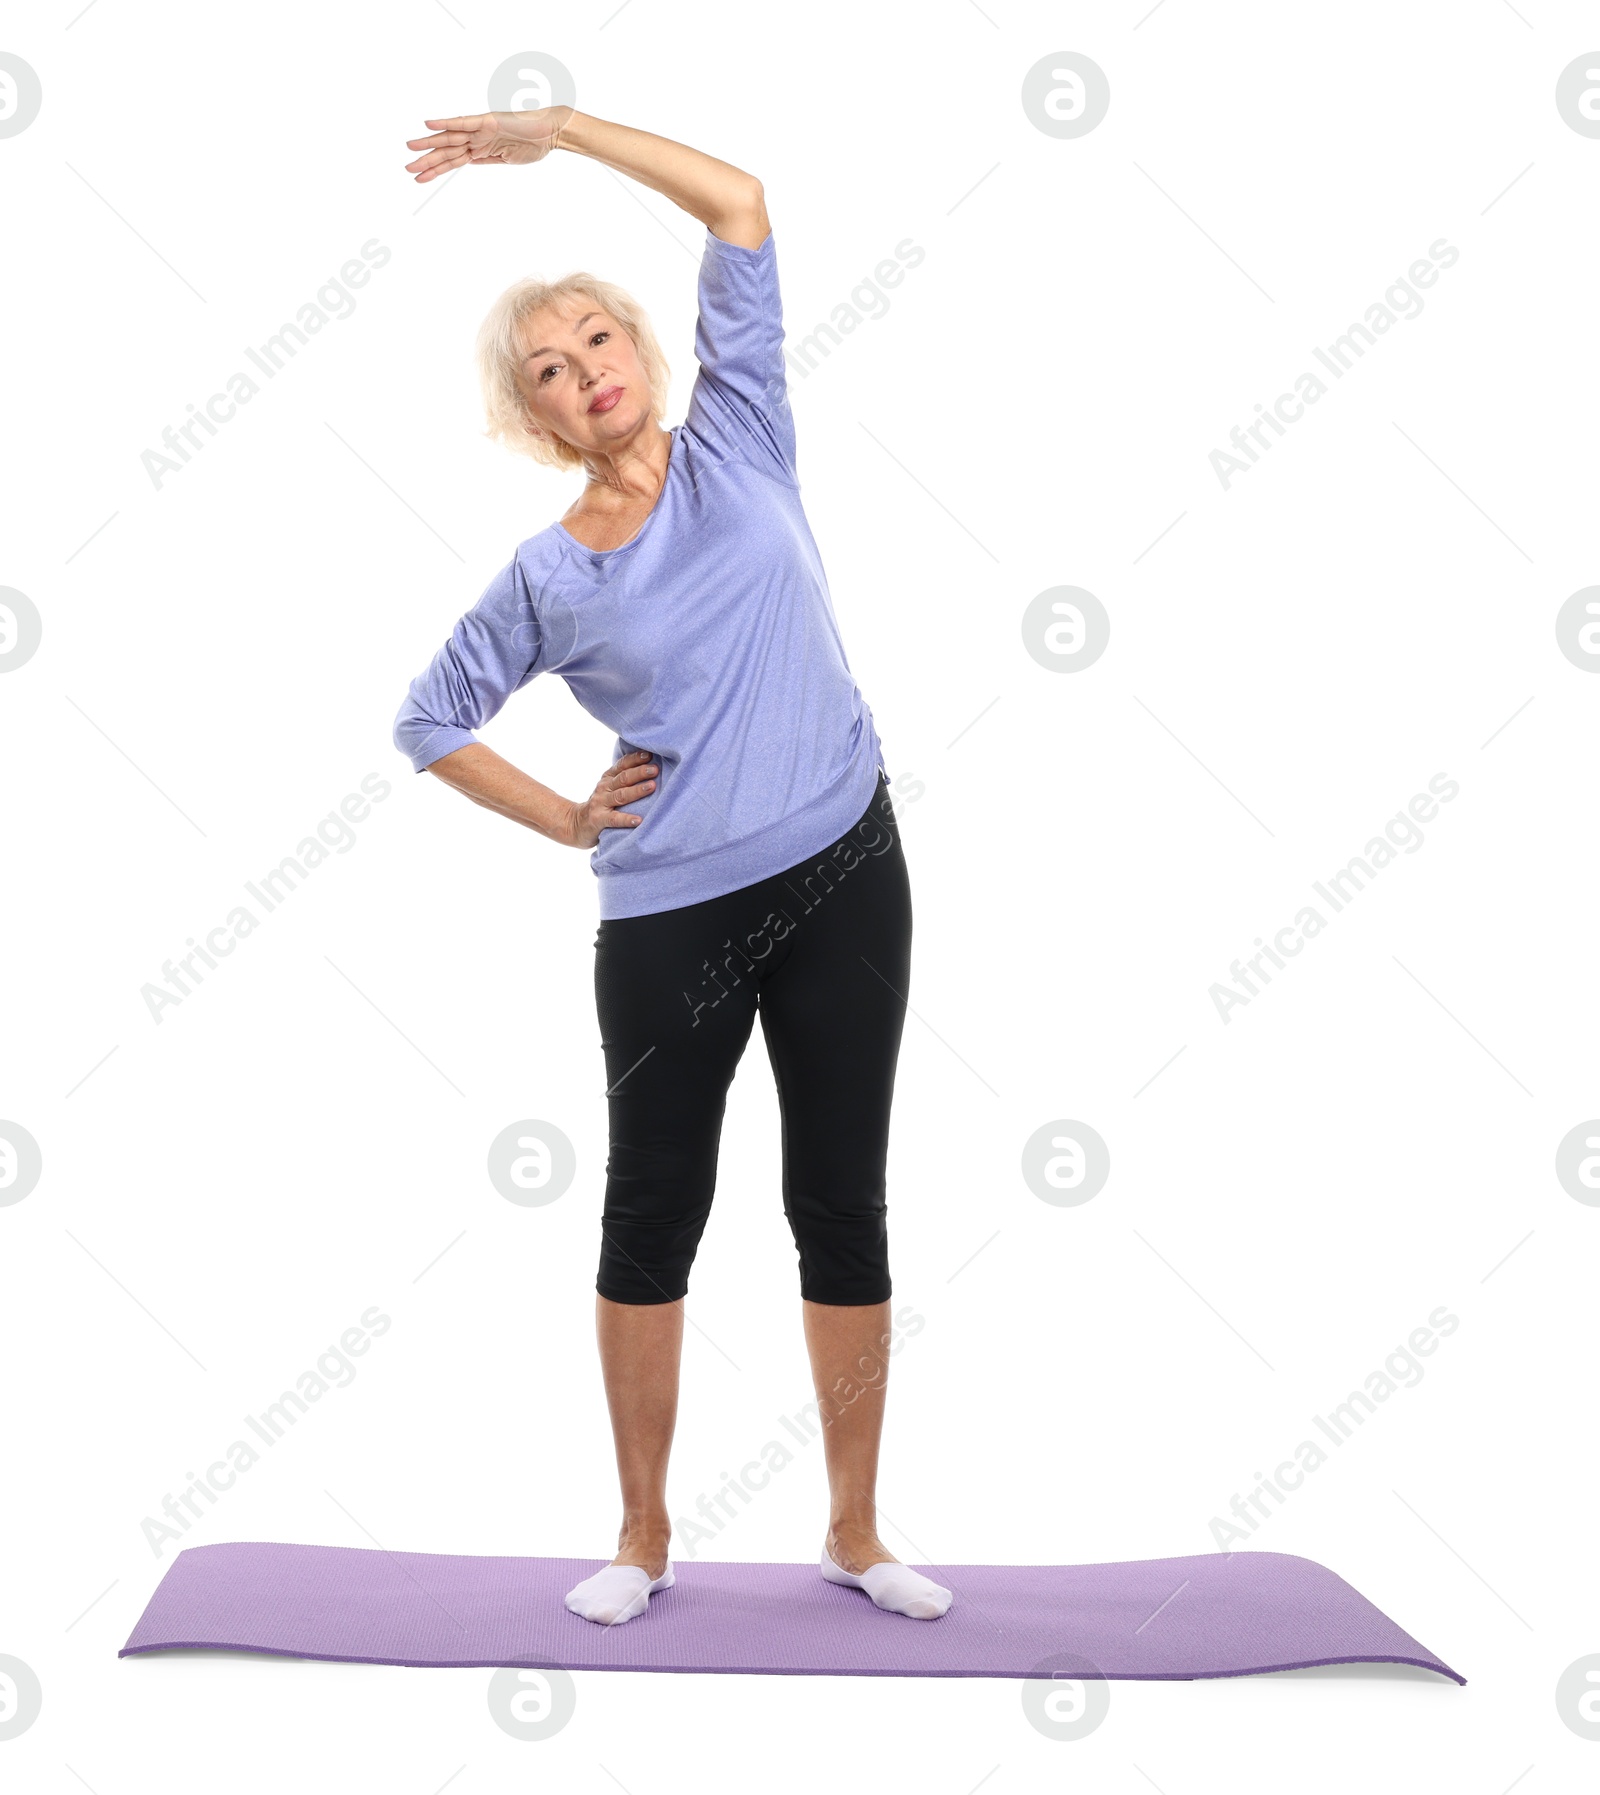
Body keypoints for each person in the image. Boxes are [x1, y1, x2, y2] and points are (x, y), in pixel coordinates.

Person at [393, 105, 951, 1627]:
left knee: (841, 1201)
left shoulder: (742, 429)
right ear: (539, 419)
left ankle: (854, 1527)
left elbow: (745, 200)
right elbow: (428, 719)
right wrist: (572, 818)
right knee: (653, 1210)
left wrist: (559, 130)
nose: (586, 373)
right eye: (550, 375)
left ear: (636, 339)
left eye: (593, 338)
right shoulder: (552, 572)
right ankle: (642, 1539)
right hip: (667, 913)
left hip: (845, 866)